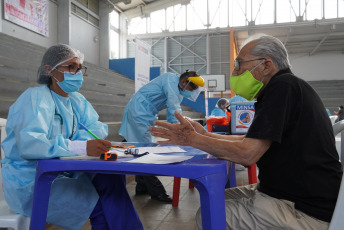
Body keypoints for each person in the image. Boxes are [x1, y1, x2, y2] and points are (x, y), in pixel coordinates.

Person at [150, 34, 342, 230]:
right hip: (288, 194)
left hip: (302, 209)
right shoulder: (285, 87)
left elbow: (247, 153)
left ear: (266, 65)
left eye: (239, 64)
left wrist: (191, 139)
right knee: (213, 198)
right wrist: (204, 135)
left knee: (208, 213)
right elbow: (249, 139)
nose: (234, 72)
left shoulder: (284, 87)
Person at [1, 44, 143, 230]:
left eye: (79, 68)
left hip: (63, 170)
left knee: (110, 179)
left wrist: (76, 143)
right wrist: (79, 146)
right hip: (31, 180)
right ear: (49, 70)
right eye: (70, 67)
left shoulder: (76, 101)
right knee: (97, 205)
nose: (77, 72)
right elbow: (31, 145)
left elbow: (97, 128)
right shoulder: (35, 98)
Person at [119, 70, 204, 202]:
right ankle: (157, 192)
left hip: (145, 111)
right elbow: (173, 109)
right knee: (145, 152)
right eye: (192, 88)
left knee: (139, 145)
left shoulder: (177, 89)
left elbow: (174, 110)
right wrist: (181, 128)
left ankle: (141, 186)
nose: (192, 92)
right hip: (140, 110)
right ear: (183, 82)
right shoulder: (171, 81)